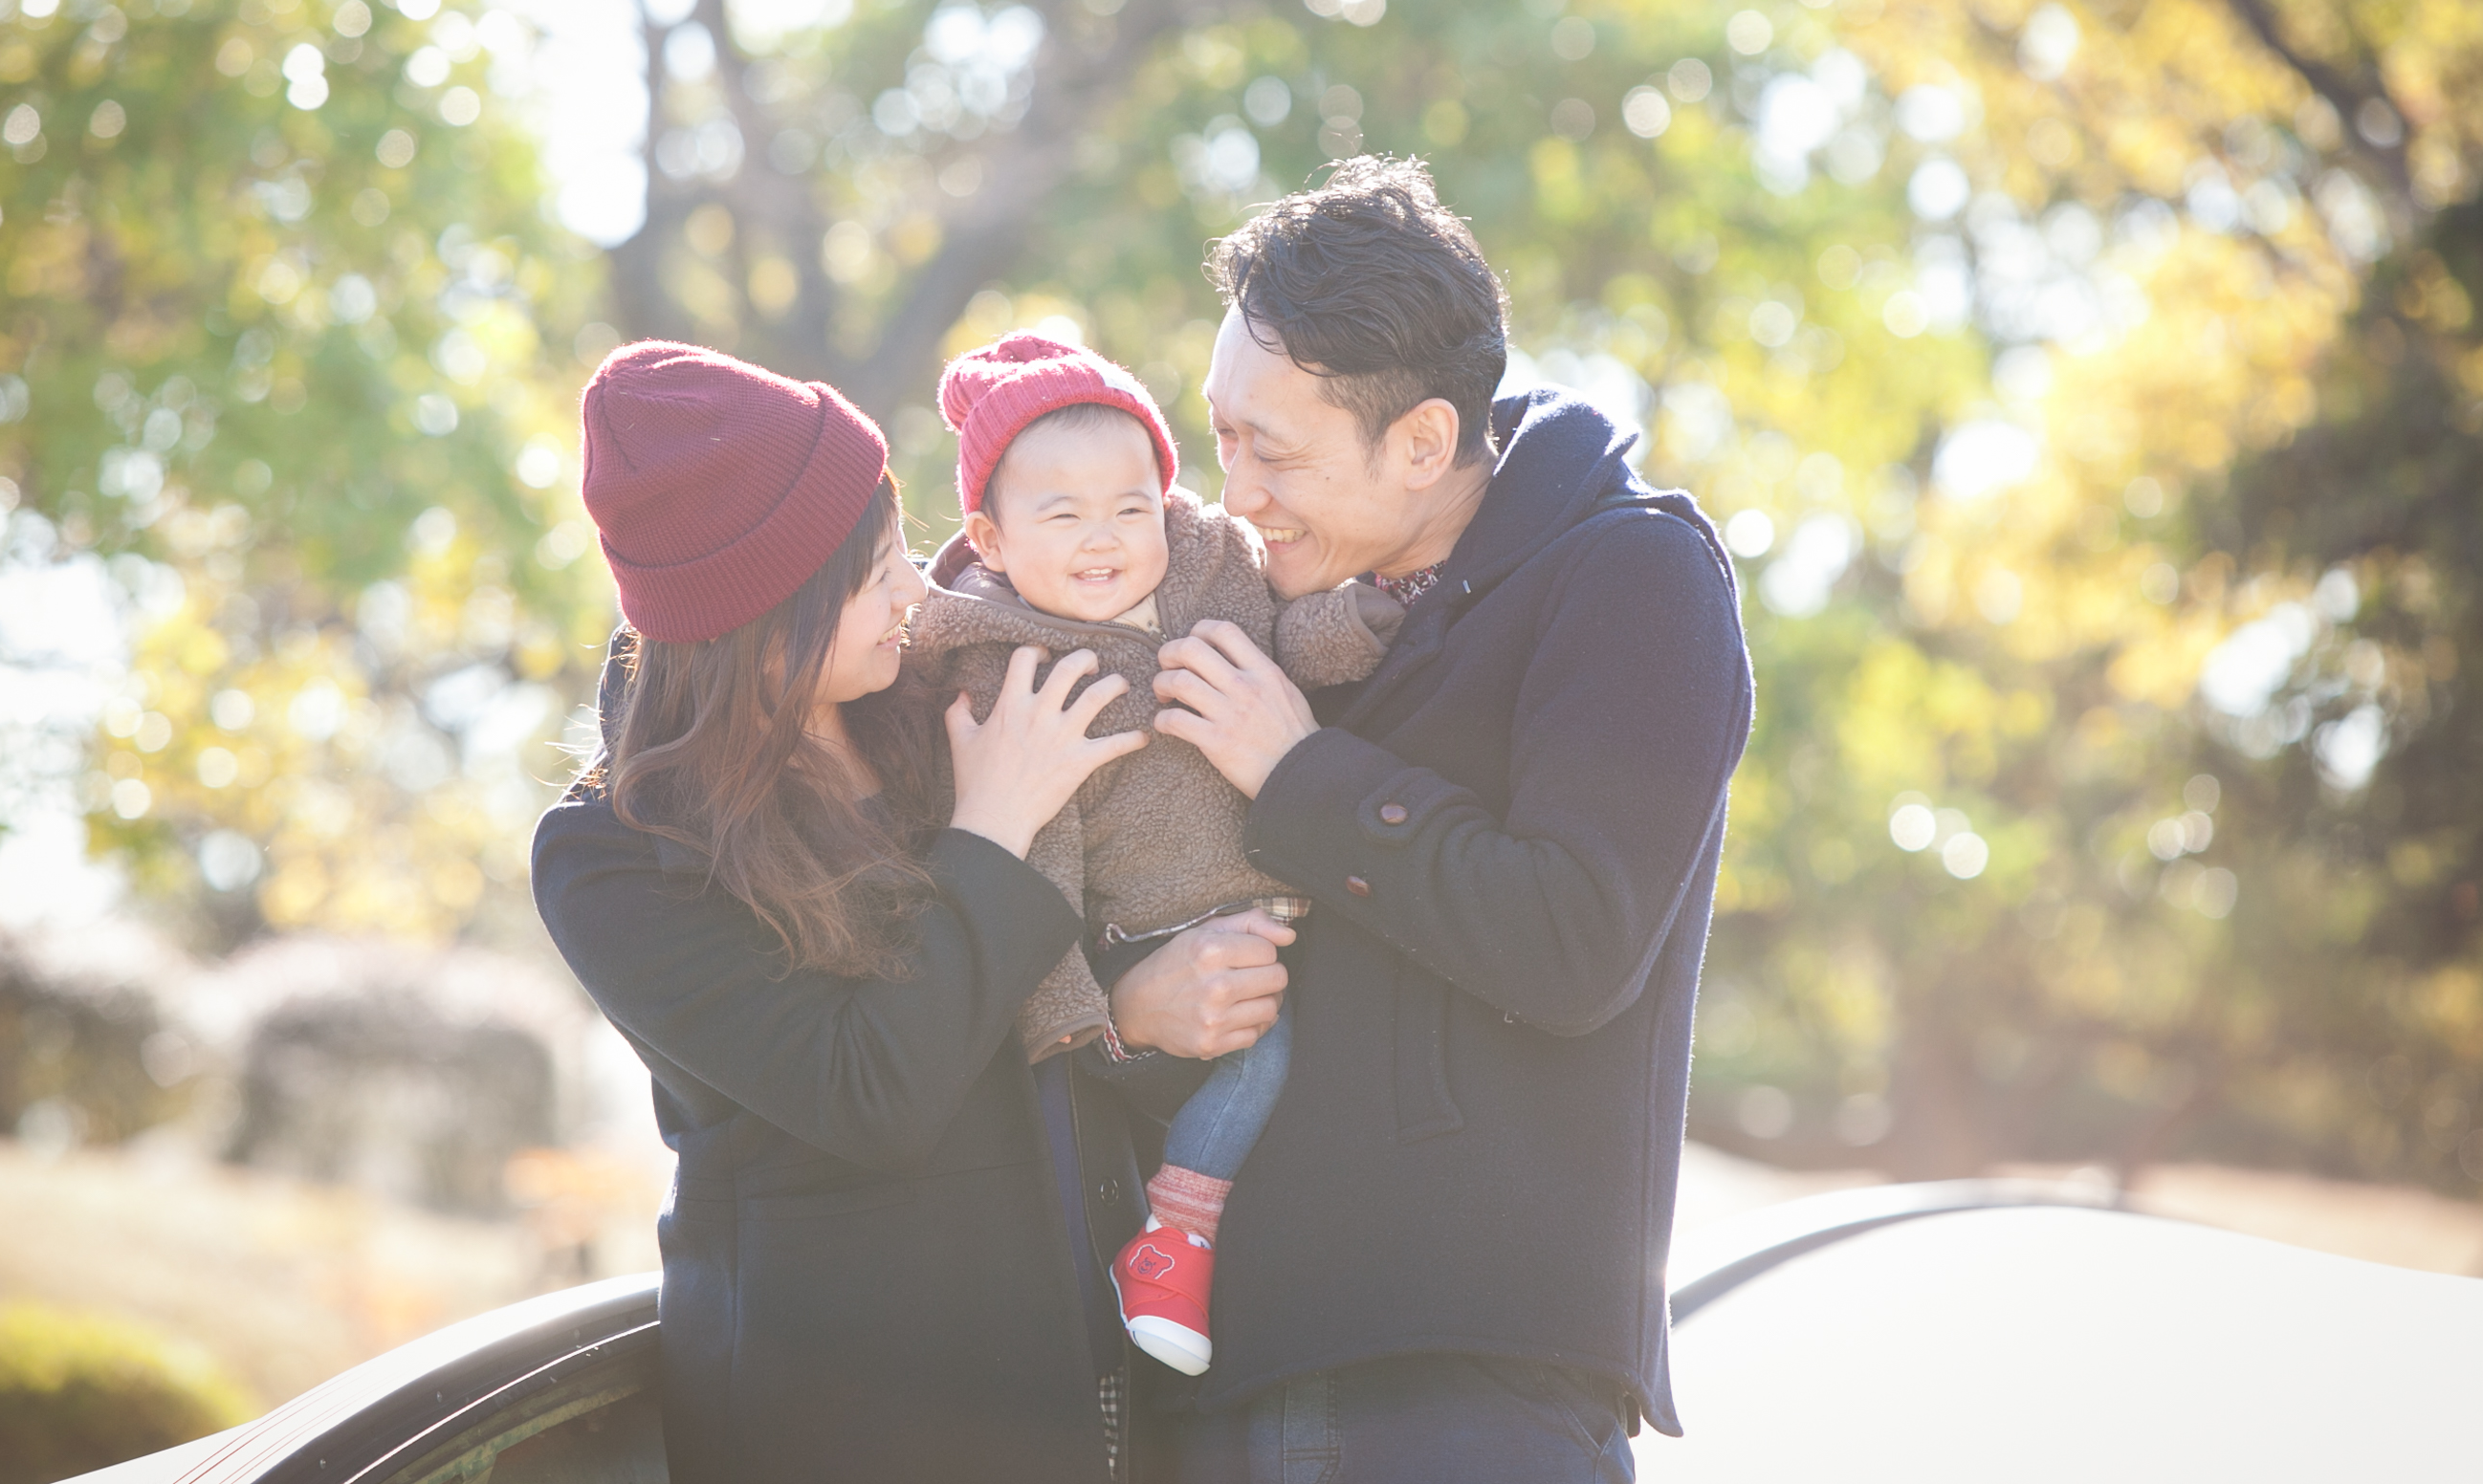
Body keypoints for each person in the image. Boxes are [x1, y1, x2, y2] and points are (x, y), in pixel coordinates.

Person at [1140, 157, 1755, 1480]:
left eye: (1273, 450)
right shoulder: (1265, 607)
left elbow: (1575, 940)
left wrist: (1299, 774)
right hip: (1219, 1380)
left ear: (1423, 443)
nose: (1233, 489)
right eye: (1221, 434)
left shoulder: (1635, 576)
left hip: (1469, 1392)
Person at [528, 341, 1236, 1482]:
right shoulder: (616, 859)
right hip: (852, 1424)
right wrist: (992, 825)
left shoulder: (938, 714)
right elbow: (871, 1093)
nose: (917, 589)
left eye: (905, 550)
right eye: (873, 573)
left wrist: (1127, 1016)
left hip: (1088, 1379)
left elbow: (1048, 990)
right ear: (763, 607)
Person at [906, 331, 1399, 1378]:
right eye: (1063, 516)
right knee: (1260, 1057)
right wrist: (1080, 1017)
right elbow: (1039, 860)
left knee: (1334, 1047)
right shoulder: (1008, 671)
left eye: (1131, 509)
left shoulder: (1213, 571)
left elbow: (1285, 638)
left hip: (1284, 900)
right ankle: (1176, 1238)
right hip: (1153, 929)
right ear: (991, 539)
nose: (1105, 540)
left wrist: (1359, 620)